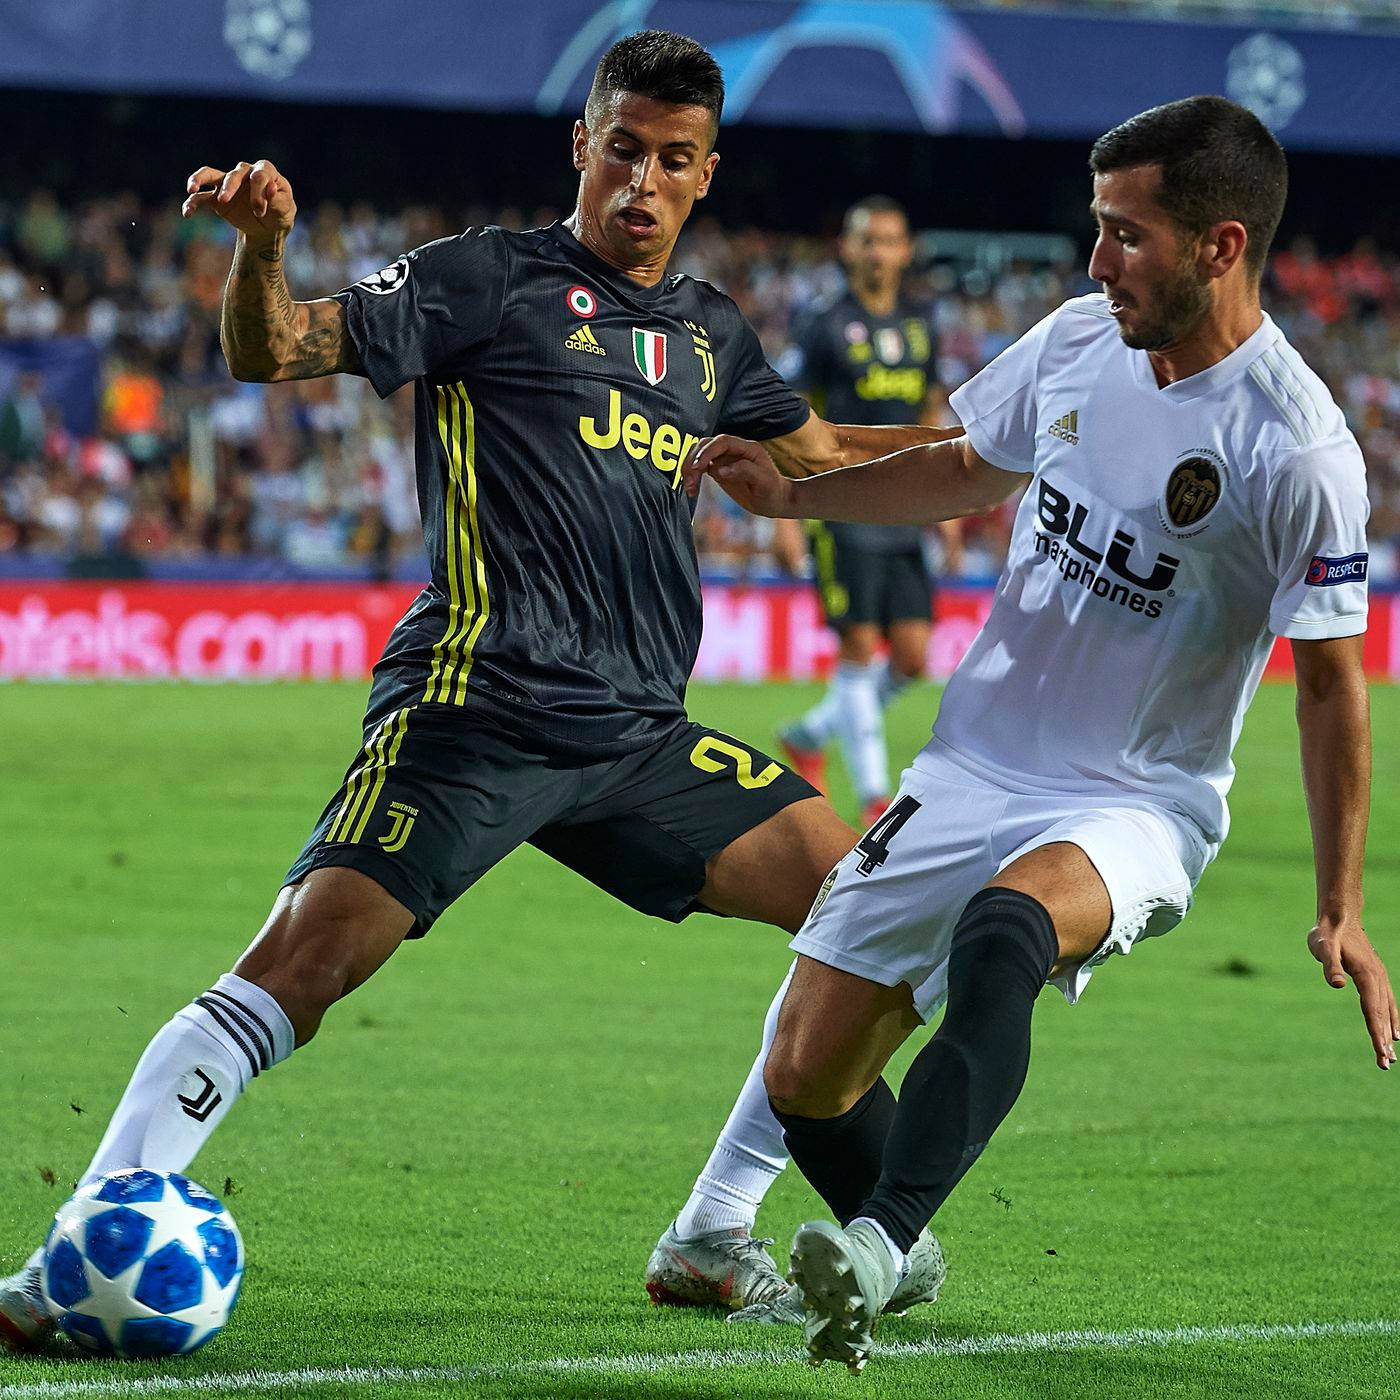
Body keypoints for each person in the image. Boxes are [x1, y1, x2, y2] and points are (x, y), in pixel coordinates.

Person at [0, 30, 952, 1352]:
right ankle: (74, 1251)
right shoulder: (486, 282)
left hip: (636, 735)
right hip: (477, 709)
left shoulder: (710, 333)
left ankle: (710, 1235)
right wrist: (263, 246)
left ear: (706, 173)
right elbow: (274, 350)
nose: (643, 181)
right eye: (624, 148)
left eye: (674, 161)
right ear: (583, 142)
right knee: (304, 965)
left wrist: (1026, 445)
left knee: (868, 909)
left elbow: (834, 456)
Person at [661, 95, 1397, 1371]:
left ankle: (880, 1247)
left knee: (1006, 932)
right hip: (968, 765)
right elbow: (959, 464)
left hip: (1134, 798)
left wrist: (1337, 901)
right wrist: (798, 492)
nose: (1096, 259)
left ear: (1221, 246)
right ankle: (891, 1238)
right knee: (804, 1077)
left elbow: (1332, 683)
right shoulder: (1074, 341)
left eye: (1126, 235)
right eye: (1096, 228)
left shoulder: (1297, 447)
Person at [773, 197, 962, 825]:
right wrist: (786, 516)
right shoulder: (822, 324)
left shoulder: (920, 324)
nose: (878, 252)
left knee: (911, 658)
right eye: (866, 241)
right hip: (841, 506)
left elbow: (931, 413)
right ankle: (878, 797)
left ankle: (806, 734)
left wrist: (949, 506)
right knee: (857, 649)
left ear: (906, 250)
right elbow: (786, 420)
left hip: (905, 510)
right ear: (847, 249)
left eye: (889, 240)